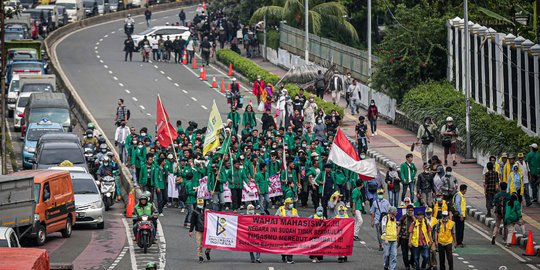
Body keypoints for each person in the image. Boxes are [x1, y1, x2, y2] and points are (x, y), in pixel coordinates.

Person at [276, 198, 297, 264]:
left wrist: (295, 217)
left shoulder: (294, 210)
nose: (291, 205)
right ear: (286, 204)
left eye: (291, 203)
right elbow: (275, 217)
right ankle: (283, 255)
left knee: (290, 244)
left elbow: (299, 219)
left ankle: (289, 259)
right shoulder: (281, 209)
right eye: (290, 203)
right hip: (283, 231)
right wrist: (279, 216)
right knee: (284, 245)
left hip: (291, 231)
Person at [189, 198, 211, 263]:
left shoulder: (207, 211)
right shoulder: (195, 212)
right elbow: (192, 222)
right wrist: (191, 230)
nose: (201, 205)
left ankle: (207, 252)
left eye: (202, 204)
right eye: (199, 204)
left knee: (209, 243)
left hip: (207, 230)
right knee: (199, 244)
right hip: (199, 230)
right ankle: (200, 256)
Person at [398, 205, 415, 270]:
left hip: (412, 238)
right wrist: (397, 235)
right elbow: (399, 226)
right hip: (403, 237)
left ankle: (411, 262)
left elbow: (417, 224)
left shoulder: (415, 217)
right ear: (407, 210)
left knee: (413, 253)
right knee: (404, 253)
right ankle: (407, 265)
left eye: (412, 210)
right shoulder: (403, 217)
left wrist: (412, 216)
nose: (410, 211)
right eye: (409, 210)